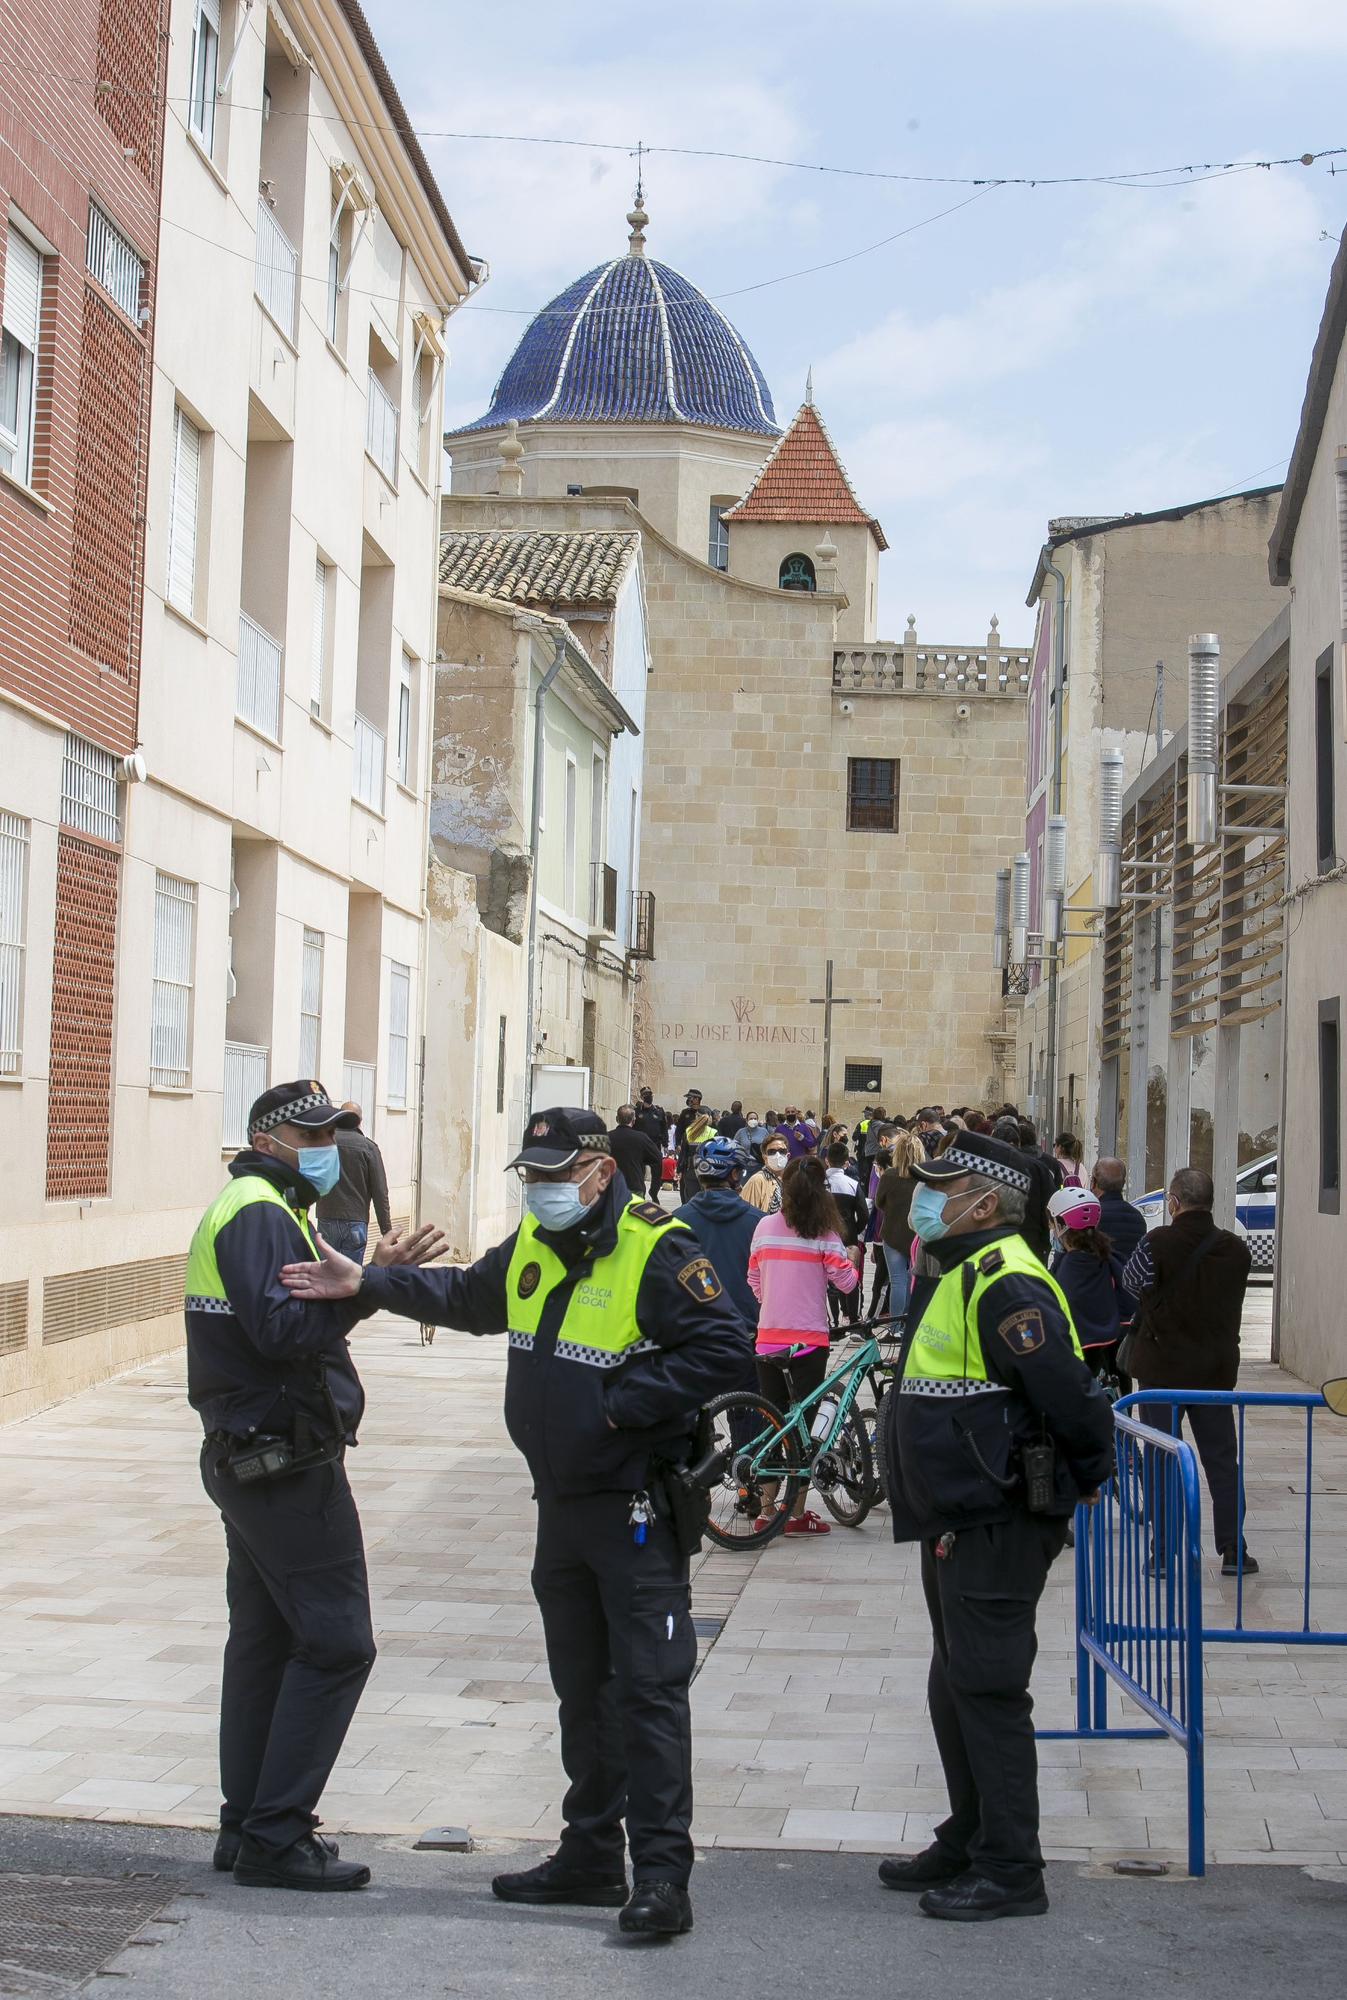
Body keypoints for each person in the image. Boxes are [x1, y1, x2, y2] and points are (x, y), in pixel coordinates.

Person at [282, 1106, 752, 1939]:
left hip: (633, 1505)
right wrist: (369, 1284)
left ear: (600, 1173)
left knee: (647, 1691)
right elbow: (469, 1296)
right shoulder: (533, 1246)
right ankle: (589, 1854)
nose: (539, 1191)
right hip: (561, 1506)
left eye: (554, 1176)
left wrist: (616, 1411)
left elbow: (722, 1347)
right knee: (583, 1690)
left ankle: (662, 1880)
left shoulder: (657, 1246)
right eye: (530, 1177)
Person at [188, 1080, 442, 1892]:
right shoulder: (261, 1209)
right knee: (336, 1644)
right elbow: (281, 1331)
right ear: (268, 1141)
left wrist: (362, 1280)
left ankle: (246, 1826)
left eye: (332, 1129)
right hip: (283, 1461)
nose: (327, 1143)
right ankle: (275, 1835)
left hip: (251, 1454)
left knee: (264, 1639)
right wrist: (367, 1290)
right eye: (312, 1132)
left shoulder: (260, 1204)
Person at [878, 1128, 1114, 1922]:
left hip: (994, 1516)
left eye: (940, 1189)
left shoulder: (1008, 1281)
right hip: (954, 1513)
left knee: (985, 1685)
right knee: (955, 1680)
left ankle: (1012, 1867)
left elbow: (1072, 1396)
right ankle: (970, 1833)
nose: (925, 1199)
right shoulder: (962, 1269)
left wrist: (1089, 1479)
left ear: (984, 1204)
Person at [1120, 1167, 1256, 1575]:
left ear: (1174, 1203)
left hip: (1161, 1371)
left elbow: (1132, 1284)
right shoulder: (1236, 1249)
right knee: (1221, 1461)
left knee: (1162, 1458)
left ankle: (1163, 1554)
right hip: (1214, 1371)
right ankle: (1234, 1550)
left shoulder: (1156, 1242)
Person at [747, 1156, 861, 1534]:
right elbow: (846, 1284)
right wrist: (855, 1260)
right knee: (801, 1429)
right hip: (808, 1342)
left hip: (768, 1339)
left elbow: (753, 1277)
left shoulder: (763, 1227)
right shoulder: (825, 1236)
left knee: (772, 1425)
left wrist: (772, 1302)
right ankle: (795, 1515)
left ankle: (766, 1510)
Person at [673, 1138, 759, 1339]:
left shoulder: (675, 1221)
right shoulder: (759, 1222)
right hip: (746, 1329)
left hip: (693, 1331)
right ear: (736, 1174)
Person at [1046, 1186, 1129, 1380]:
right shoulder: (1105, 1256)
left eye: (1051, 1223)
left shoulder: (1069, 1267)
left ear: (1060, 1224)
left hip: (1076, 1352)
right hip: (1108, 1343)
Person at [315, 1102, 392, 1263]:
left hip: (326, 1218)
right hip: (355, 1221)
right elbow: (380, 1192)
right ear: (359, 1121)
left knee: (325, 1274)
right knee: (351, 1278)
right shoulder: (368, 1147)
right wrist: (386, 1230)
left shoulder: (323, 1144)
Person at [874, 1127, 922, 1314]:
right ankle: (908, 1323)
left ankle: (894, 1327)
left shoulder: (890, 1175)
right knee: (912, 1279)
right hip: (917, 1233)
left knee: (897, 1281)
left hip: (893, 1231)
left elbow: (879, 1202)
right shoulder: (926, 1176)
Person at [824, 1140, 868, 1327]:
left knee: (830, 1281)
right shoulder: (852, 1184)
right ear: (846, 1162)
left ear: (827, 1160)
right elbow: (864, 1214)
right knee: (850, 1277)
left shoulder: (819, 1183)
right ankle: (853, 1319)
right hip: (847, 1237)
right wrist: (855, 1230)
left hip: (824, 1236)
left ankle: (834, 1322)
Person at [1089, 1158, 1148, 1269]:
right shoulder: (1138, 1218)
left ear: (1093, 1182)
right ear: (1123, 1183)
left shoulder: (1092, 1217)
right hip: (1127, 1283)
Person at [609, 1104, 664, 1201]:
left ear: (617, 1119)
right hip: (634, 1185)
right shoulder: (641, 1138)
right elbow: (657, 1157)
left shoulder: (607, 1138)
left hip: (612, 1187)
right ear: (634, 1120)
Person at [674, 1090, 711, 1199]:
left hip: (704, 1159)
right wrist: (677, 1144)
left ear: (696, 1099)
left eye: (690, 1098)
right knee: (686, 1186)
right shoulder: (685, 1113)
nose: (688, 1100)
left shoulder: (705, 1111)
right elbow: (679, 1130)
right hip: (688, 1152)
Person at [742, 1132, 790, 1213]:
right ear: (765, 1157)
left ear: (788, 1156)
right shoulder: (757, 1181)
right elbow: (750, 1216)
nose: (777, 1155)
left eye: (782, 1151)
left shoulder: (790, 1180)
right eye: (772, 1152)